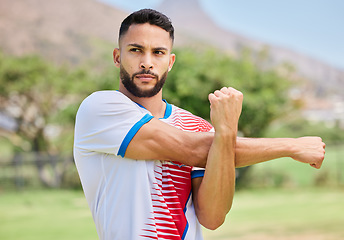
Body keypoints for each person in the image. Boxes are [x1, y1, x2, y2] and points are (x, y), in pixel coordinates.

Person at [73, 9, 325, 240]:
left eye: (157, 52)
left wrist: (224, 134)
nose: (147, 62)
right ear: (118, 57)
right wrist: (292, 145)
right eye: (136, 50)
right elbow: (194, 150)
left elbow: (212, 217)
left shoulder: (197, 126)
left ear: (170, 62)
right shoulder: (99, 109)